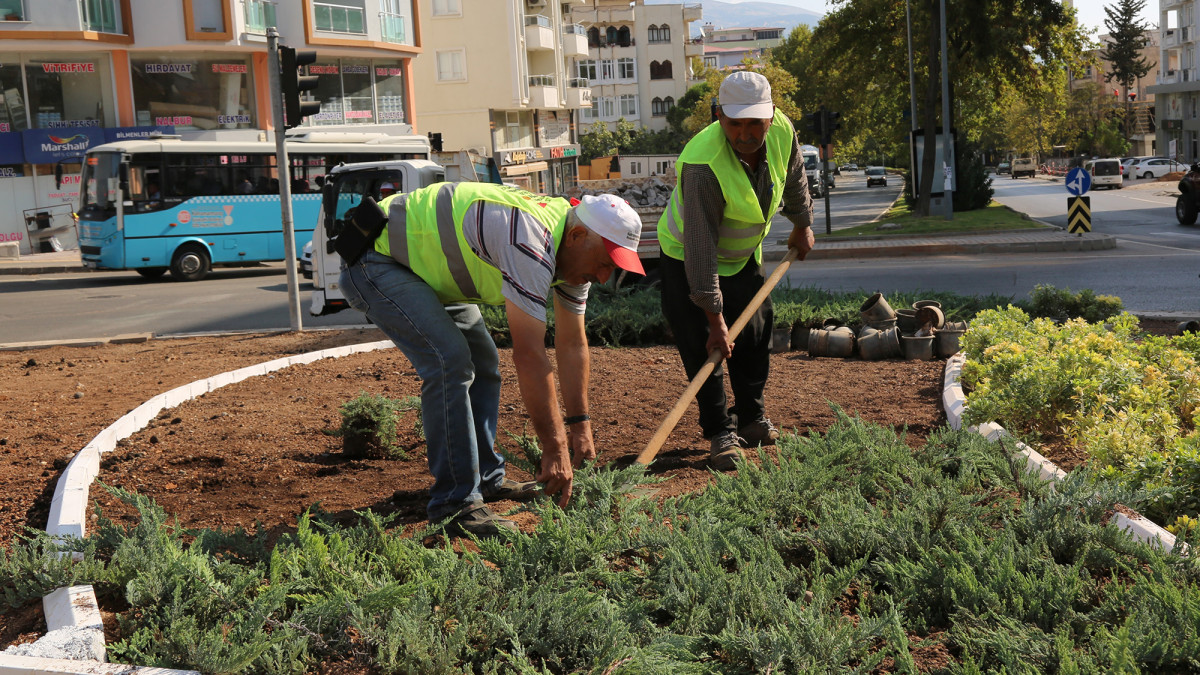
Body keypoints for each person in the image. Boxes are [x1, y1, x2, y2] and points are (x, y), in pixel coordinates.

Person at [340, 183, 644, 538]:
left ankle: (484, 480)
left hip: (425, 270)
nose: (604, 277)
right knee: (449, 362)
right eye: (605, 263)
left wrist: (580, 425)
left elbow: (572, 344)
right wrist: (555, 446)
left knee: (482, 362)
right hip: (373, 260)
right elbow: (530, 354)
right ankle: (454, 504)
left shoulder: (572, 249)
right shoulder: (531, 241)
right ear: (578, 235)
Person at [656, 70, 814, 470]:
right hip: (687, 257)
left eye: (755, 122)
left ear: (771, 114)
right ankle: (719, 431)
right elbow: (701, 249)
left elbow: (794, 177)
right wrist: (714, 317)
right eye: (735, 123)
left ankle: (751, 420)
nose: (746, 133)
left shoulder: (781, 132)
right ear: (717, 116)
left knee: (755, 334)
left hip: (742, 256)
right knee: (705, 345)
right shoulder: (702, 164)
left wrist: (802, 223)